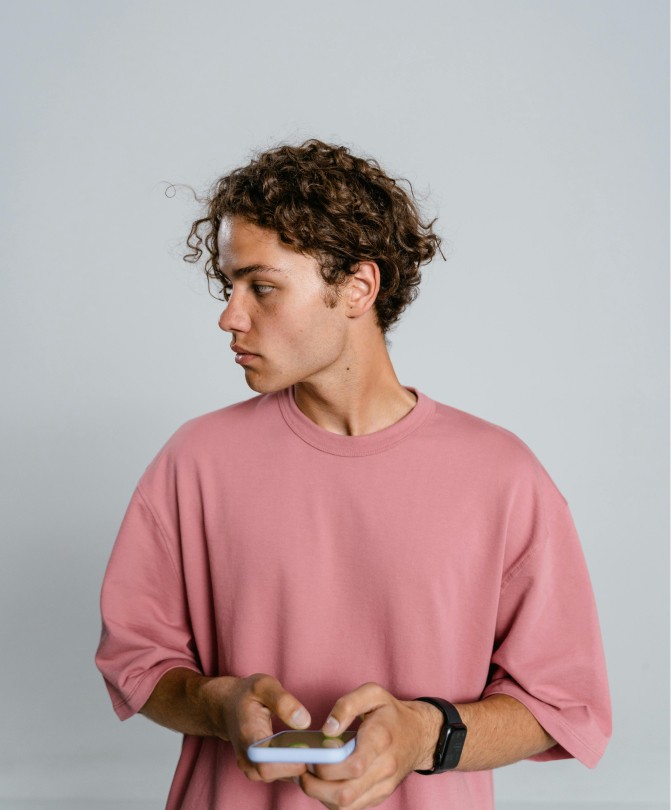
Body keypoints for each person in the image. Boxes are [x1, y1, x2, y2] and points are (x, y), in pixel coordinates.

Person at [95, 139, 611, 810]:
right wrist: (215, 702)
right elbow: (138, 662)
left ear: (358, 287)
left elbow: (560, 704)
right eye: (229, 286)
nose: (229, 316)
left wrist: (424, 734)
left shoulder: (501, 475)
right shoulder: (193, 461)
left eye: (264, 287)